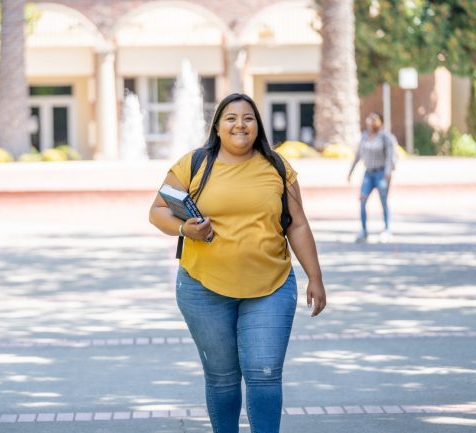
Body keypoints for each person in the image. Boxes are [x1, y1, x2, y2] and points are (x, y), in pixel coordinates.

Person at [149, 93, 326, 433]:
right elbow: (156, 211)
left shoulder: (277, 167)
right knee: (222, 377)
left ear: (257, 126)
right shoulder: (194, 164)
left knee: (264, 372)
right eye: (231, 118)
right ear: (217, 126)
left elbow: (298, 224)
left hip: (270, 287)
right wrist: (185, 228)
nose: (240, 124)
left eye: (248, 118)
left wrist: (314, 277)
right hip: (202, 288)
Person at [348, 112, 396, 243]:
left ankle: (387, 229)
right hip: (368, 173)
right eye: (370, 118)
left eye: (375, 119)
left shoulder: (386, 137)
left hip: (381, 173)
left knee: (383, 201)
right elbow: (358, 155)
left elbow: (390, 157)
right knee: (362, 200)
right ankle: (363, 230)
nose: (371, 121)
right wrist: (351, 171)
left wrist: (388, 173)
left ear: (381, 121)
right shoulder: (364, 136)